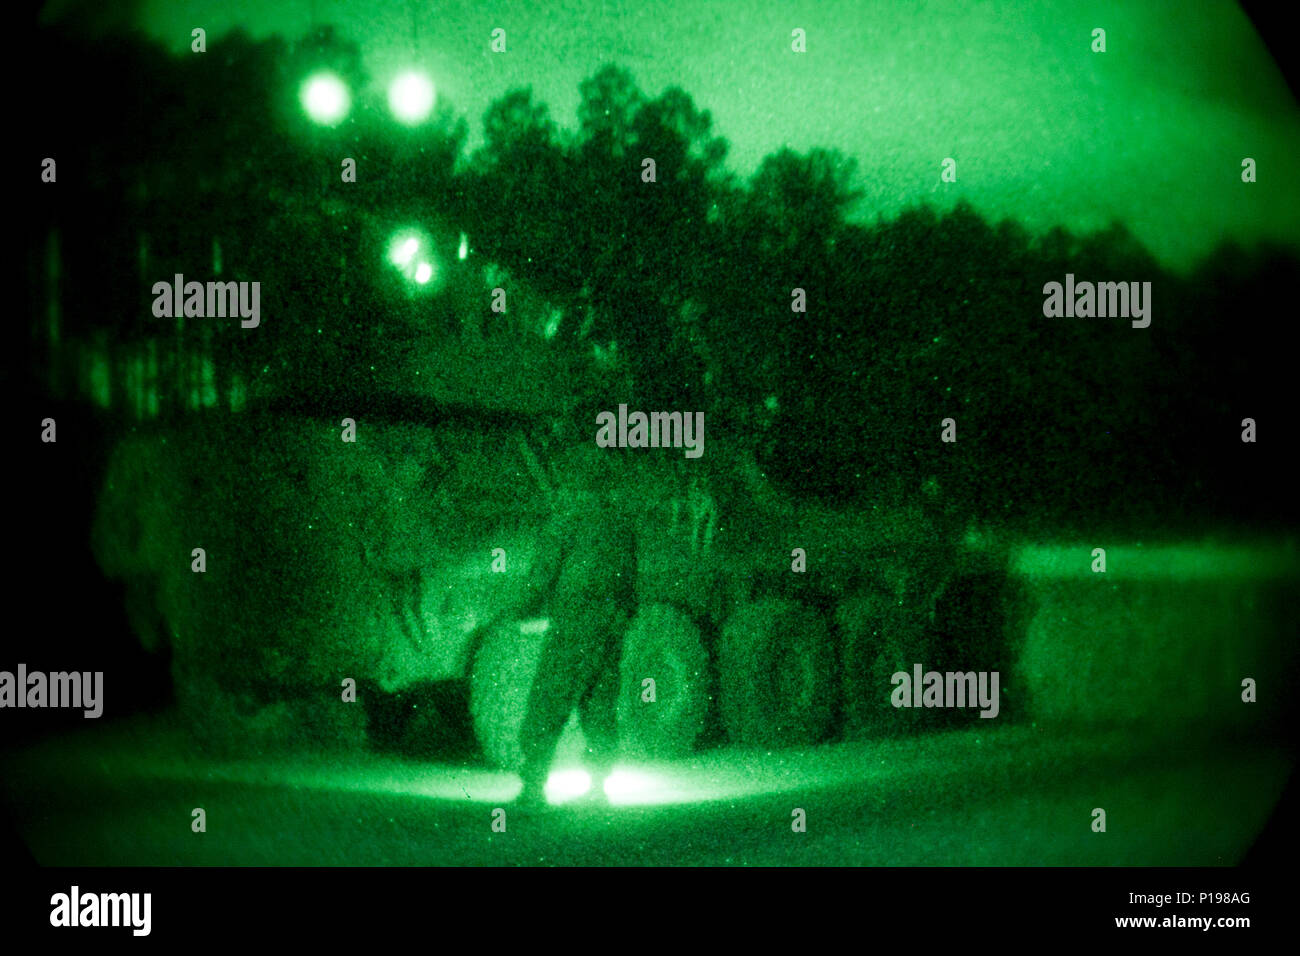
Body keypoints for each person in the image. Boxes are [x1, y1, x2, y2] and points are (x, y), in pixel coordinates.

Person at [476, 463, 639, 805]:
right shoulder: (620, 522)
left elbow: (542, 575)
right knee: (598, 702)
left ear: (573, 486)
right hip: (609, 626)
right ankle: (597, 787)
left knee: (550, 698)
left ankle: (533, 785)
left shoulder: (566, 520)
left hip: (574, 623)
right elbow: (630, 584)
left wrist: (518, 609)